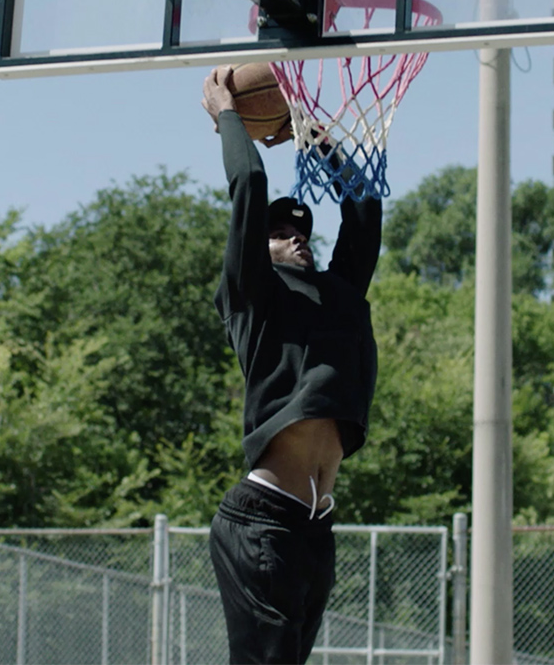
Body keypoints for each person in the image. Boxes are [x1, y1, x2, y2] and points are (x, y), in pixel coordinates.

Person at [200, 65, 381, 665]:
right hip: (262, 523)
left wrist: (309, 131)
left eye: (300, 230)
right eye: (279, 233)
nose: (295, 237)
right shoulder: (253, 293)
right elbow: (249, 185)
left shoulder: (339, 294)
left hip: (313, 527)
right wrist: (231, 115)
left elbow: (363, 206)